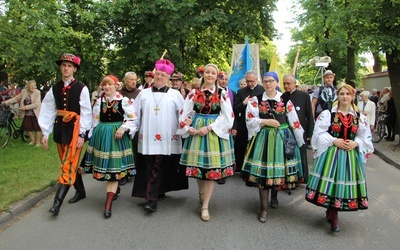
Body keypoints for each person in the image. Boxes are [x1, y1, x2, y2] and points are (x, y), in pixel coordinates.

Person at [305, 84, 374, 232]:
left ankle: (334, 213)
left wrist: (356, 142)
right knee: (332, 182)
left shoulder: (359, 117)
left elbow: (365, 137)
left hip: (350, 156)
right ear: (338, 95)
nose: (344, 97)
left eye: (347, 94)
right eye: (342, 94)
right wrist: (333, 140)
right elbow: (318, 133)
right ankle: (333, 213)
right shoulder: (328, 114)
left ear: (352, 96)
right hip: (331, 154)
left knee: (342, 183)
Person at [241, 72, 304, 223]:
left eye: (271, 81)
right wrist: (265, 122)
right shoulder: (256, 100)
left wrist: (300, 140)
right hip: (263, 139)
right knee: (264, 174)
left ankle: (274, 197)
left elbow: (294, 121)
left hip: (282, 138)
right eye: (265, 81)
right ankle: (264, 209)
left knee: (278, 171)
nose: (268, 84)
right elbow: (249, 119)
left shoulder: (285, 100)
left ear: (276, 83)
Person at [178, 63, 235, 222]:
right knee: (198, 168)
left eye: (213, 73)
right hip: (197, 132)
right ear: (203, 75)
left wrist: (209, 127)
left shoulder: (222, 93)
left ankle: (205, 206)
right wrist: (188, 127)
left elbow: (228, 116)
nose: (210, 75)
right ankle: (201, 194)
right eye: (208, 72)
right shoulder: (193, 93)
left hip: (213, 132)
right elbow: (184, 113)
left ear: (217, 76)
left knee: (211, 169)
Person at [131, 59, 188, 212]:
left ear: (168, 78)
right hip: (147, 138)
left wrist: (186, 125)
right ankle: (155, 193)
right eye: (158, 74)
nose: (159, 77)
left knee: (157, 166)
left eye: (163, 75)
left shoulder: (175, 95)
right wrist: (128, 128)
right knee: (151, 167)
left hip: (167, 138)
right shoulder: (143, 94)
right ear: (154, 74)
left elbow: (184, 114)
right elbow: (134, 114)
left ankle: (152, 199)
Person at [38, 53, 92, 216]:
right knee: (68, 163)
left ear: (74, 69)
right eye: (64, 65)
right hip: (61, 129)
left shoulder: (82, 88)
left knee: (68, 165)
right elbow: (48, 110)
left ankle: (57, 203)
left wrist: (82, 134)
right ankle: (81, 191)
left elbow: (86, 112)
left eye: (69, 65)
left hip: (76, 130)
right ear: (60, 67)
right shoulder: (54, 88)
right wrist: (45, 133)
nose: (66, 68)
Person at [85, 75, 136, 218]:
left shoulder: (123, 101)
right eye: (105, 84)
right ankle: (114, 190)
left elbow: (133, 117)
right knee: (108, 169)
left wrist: (123, 127)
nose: (107, 87)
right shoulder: (99, 101)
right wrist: (91, 136)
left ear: (116, 86)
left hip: (117, 137)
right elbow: (94, 120)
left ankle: (108, 205)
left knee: (113, 171)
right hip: (102, 137)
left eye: (110, 84)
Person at [281, 74, 314, 184]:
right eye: (284, 83)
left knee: (302, 154)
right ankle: (290, 179)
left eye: (288, 83)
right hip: (287, 131)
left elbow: (309, 115)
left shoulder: (304, 96)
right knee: (289, 154)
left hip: (301, 131)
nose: (286, 86)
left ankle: (303, 178)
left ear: (295, 84)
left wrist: (310, 133)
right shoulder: (282, 97)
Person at [233, 70, 264, 173]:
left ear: (256, 80)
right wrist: (244, 103)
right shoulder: (241, 91)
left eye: (252, 81)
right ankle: (242, 168)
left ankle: (255, 169)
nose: (250, 83)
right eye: (248, 81)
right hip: (243, 124)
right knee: (241, 147)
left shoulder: (263, 90)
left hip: (258, 124)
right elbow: (235, 109)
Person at [2, 80, 42, 145]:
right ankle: (33, 140)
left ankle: (38, 142)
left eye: (34, 86)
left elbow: (36, 104)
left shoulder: (37, 92)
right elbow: (16, 98)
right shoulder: (24, 91)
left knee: (37, 128)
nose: (32, 87)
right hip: (27, 113)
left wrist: (25, 107)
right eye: (31, 85)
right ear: (28, 86)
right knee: (27, 127)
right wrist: (6, 102)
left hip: (35, 112)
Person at [118, 71, 141, 185]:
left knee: (136, 148)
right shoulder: (119, 94)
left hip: (136, 125)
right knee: (123, 149)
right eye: (131, 79)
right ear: (125, 80)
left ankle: (135, 170)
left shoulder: (140, 93)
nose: (133, 82)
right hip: (122, 125)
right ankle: (123, 172)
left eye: (135, 80)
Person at [215, 71, 236, 185]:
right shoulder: (215, 92)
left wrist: (233, 126)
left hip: (228, 125)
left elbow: (234, 111)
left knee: (225, 150)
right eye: (221, 79)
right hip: (216, 124)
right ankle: (217, 173)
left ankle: (225, 171)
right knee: (217, 150)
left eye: (226, 80)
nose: (223, 81)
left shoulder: (232, 93)